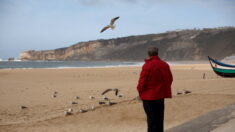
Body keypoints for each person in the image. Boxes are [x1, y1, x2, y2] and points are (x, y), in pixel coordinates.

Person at [137, 47, 173, 132]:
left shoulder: (147, 65)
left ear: (149, 54)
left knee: (151, 120)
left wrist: (140, 92)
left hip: (148, 97)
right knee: (159, 119)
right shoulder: (164, 64)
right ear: (157, 53)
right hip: (160, 96)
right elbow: (169, 79)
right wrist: (163, 89)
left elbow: (142, 82)